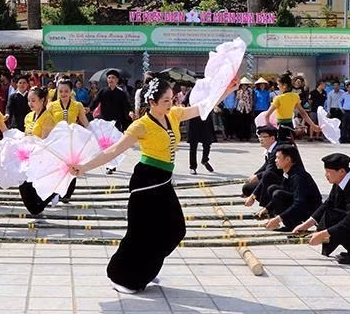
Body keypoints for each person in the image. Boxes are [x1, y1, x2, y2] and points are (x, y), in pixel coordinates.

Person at [71, 77, 238, 293]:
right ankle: (123, 277)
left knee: (176, 229)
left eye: (172, 99)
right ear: (152, 102)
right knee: (140, 233)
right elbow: (112, 151)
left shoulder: (175, 115)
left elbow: (202, 107)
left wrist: (225, 89)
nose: (171, 104)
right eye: (166, 100)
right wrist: (83, 167)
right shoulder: (141, 126)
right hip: (146, 182)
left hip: (164, 181)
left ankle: (147, 268)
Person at [262, 144, 322, 232]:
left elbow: (300, 202)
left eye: (278, 158)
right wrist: (267, 209)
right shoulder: (288, 172)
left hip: (309, 210)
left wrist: (279, 218)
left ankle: (294, 225)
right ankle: (290, 224)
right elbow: (285, 190)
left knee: (278, 194)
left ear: (288, 160)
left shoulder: (298, 176)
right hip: (301, 205)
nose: (275, 161)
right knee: (273, 189)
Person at [47, 78, 88, 202]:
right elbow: (47, 125)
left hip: (72, 141)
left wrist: (95, 134)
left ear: (71, 91)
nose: (63, 94)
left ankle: (67, 194)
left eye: (66, 91)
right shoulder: (51, 106)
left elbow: (85, 123)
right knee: (57, 168)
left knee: (72, 167)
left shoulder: (77, 105)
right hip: (56, 141)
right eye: (61, 91)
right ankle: (56, 192)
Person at [19, 86, 58, 216]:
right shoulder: (28, 116)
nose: (30, 103)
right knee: (24, 188)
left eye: (34, 100)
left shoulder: (47, 118)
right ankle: (49, 197)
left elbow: (45, 141)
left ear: (42, 100)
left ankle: (53, 193)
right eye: (29, 100)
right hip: (28, 157)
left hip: (41, 158)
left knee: (29, 191)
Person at [89, 70, 132, 174]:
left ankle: (112, 164)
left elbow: (126, 106)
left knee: (115, 145)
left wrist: (130, 112)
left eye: (113, 78)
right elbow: (95, 102)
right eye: (109, 78)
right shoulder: (103, 91)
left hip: (116, 123)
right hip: (104, 122)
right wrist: (89, 109)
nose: (111, 80)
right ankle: (109, 163)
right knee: (105, 144)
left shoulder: (121, 93)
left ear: (117, 80)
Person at [242, 126, 283, 215]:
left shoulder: (277, 150)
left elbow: (269, 171)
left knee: (253, 187)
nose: (260, 139)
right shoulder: (271, 149)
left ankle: (270, 209)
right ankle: (269, 207)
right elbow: (266, 165)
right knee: (247, 187)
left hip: (282, 181)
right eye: (259, 137)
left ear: (272, 138)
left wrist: (253, 196)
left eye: (264, 137)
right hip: (272, 177)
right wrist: (255, 175)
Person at [265, 74, 319, 142]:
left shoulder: (278, 98)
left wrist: (269, 128)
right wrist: (313, 125)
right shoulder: (295, 96)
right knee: (290, 149)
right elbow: (303, 113)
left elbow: (267, 116)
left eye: (278, 84)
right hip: (290, 127)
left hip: (280, 127)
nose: (277, 86)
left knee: (280, 149)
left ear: (284, 85)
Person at [183, 91, 216, 174]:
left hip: (205, 120)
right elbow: (183, 103)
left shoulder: (208, 92)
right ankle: (193, 167)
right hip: (193, 120)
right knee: (193, 145)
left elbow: (214, 102)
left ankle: (205, 160)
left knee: (207, 143)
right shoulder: (191, 92)